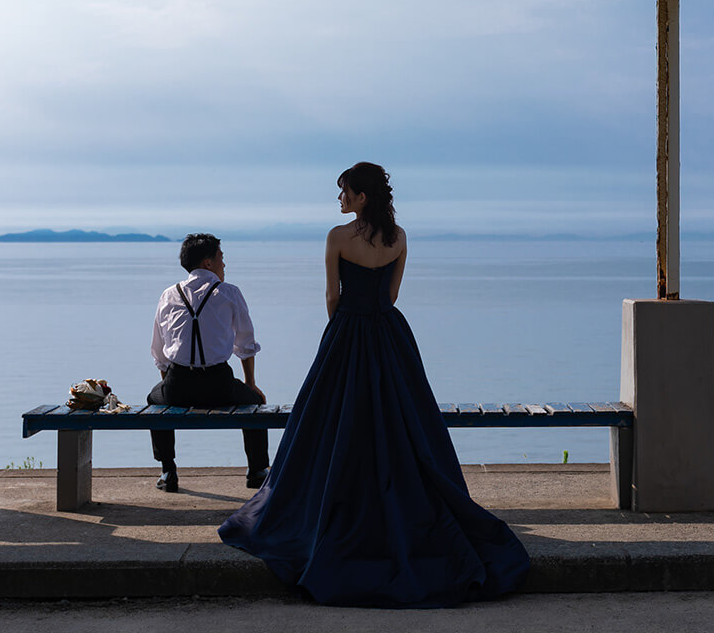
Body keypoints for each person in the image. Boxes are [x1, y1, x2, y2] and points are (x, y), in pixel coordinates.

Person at [218, 163, 530, 607]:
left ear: (362, 196)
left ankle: (330, 511)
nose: (339, 199)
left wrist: (343, 337)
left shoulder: (337, 237)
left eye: (344, 191)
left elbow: (332, 297)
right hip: (390, 335)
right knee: (403, 426)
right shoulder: (399, 238)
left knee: (329, 426)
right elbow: (393, 295)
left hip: (347, 331)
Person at [149, 233, 269, 493]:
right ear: (207, 263)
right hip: (219, 386)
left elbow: (159, 353)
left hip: (177, 385)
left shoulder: (169, 295)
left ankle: (168, 470)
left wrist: (169, 388)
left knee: (153, 401)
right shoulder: (229, 293)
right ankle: (257, 470)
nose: (224, 265)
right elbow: (246, 345)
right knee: (256, 402)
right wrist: (251, 383)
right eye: (221, 258)